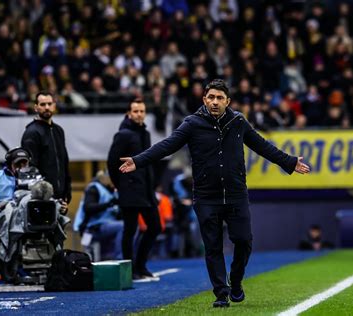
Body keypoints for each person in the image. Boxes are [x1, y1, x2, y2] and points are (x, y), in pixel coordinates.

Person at [119, 79, 310, 307]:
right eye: (211, 97)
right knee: (213, 247)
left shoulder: (238, 121)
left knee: (243, 241)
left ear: (227, 101)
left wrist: (288, 162)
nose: (215, 102)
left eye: (220, 98)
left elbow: (262, 145)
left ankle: (236, 281)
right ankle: (221, 293)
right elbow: (167, 145)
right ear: (204, 100)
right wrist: (138, 161)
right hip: (206, 197)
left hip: (236, 194)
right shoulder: (192, 123)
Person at [0, 147, 66, 285]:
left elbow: (50, 198)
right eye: (18, 164)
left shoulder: (38, 178)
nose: (22, 167)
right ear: (10, 163)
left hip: (30, 221)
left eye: (25, 163)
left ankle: (58, 269)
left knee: (55, 227)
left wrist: (61, 207)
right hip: (1, 219)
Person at [107, 98, 161, 280]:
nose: (139, 114)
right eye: (136, 111)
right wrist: (120, 184)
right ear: (129, 113)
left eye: (142, 111)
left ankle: (140, 265)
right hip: (129, 191)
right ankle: (130, 270)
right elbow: (112, 162)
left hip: (146, 191)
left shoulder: (145, 134)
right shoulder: (123, 134)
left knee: (155, 227)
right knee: (130, 231)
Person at [21, 91, 72, 206]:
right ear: (36, 107)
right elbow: (30, 168)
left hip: (60, 196)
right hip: (41, 198)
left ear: (54, 105)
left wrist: (67, 190)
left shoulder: (59, 130)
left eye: (50, 104)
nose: (47, 107)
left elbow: (64, 162)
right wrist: (39, 195)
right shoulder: (31, 132)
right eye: (43, 105)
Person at [73, 170, 124, 260]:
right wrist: (108, 204)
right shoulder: (94, 188)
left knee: (130, 226)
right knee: (123, 226)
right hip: (93, 227)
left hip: (107, 226)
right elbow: (88, 208)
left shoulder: (112, 191)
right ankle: (120, 259)